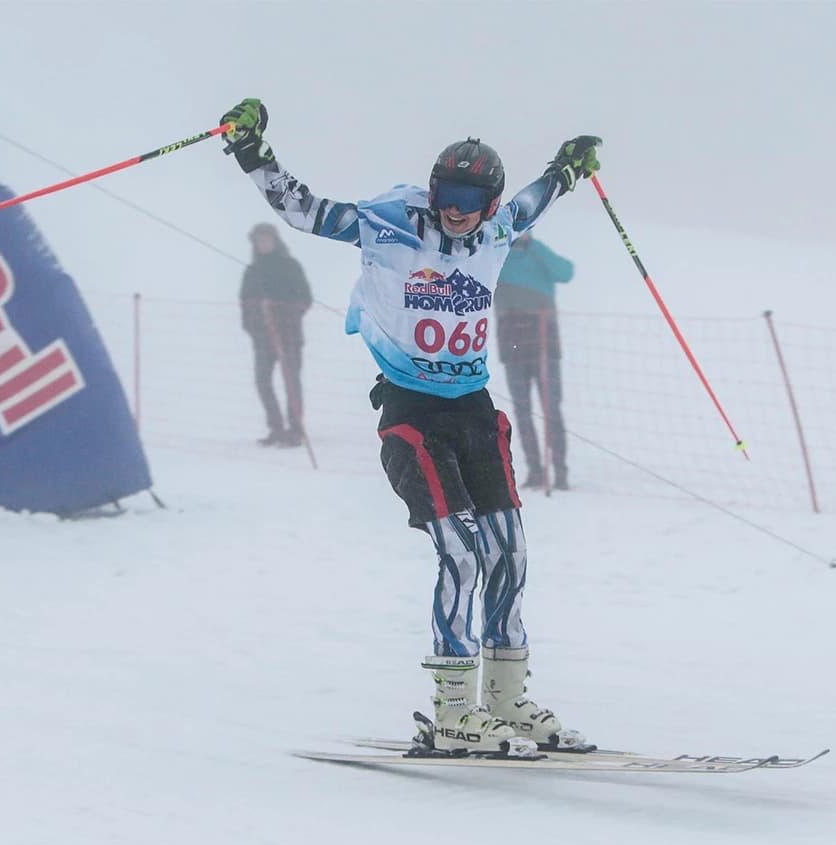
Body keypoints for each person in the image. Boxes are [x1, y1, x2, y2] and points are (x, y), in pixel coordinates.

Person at [219, 97, 600, 756]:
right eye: (447, 192)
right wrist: (253, 151)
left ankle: (505, 700)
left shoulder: (498, 228)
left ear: (488, 200)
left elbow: (536, 200)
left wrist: (566, 169)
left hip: (474, 407)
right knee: (460, 551)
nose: (456, 208)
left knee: (508, 548)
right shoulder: (391, 224)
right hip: (412, 412)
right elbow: (304, 210)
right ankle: (454, 709)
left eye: (470, 197)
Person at [495, 231, 575, 490]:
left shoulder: (537, 254)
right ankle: (535, 470)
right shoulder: (498, 256)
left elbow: (565, 273)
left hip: (544, 341)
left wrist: (533, 246)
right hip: (512, 341)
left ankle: (559, 470)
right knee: (522, 409)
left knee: (550, 407)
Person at [239, 222, 312, 447]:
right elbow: (245, 304)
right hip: (262, 339)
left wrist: (281, 314)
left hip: (289, 336)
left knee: (291, 382)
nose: (263, 243)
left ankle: (295, 430)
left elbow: (304, 299)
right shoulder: (252, 271)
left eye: (266, 238)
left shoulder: (291, 266)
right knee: (263, 382)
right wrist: (255, 326)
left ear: (275, 240)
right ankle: (276, 428)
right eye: (258, 240)